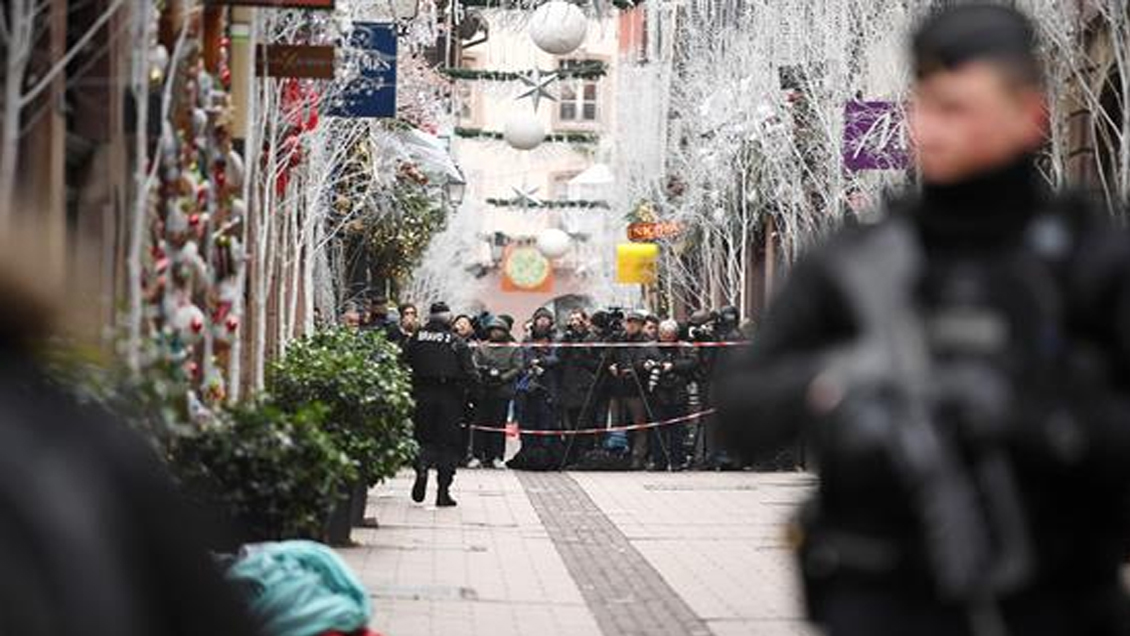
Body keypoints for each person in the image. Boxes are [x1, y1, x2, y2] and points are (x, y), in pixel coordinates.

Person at [718, 5, 1130, 635]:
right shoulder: (856, 262)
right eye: (925, 105)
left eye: (958, 108)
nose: (930, 129)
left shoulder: (1091, 260)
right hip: (881, 602)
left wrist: (1049, 414)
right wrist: (840, 384)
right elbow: (741, 410)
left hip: (1054, 604)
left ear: (1030, 114)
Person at [404, 302, 479, 507]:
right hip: (449, 398)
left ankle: (421, 466)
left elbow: (403, 364)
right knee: (447, 445)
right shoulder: (456, 342)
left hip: (421, 395)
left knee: (422, 438)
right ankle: (442, 492)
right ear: (448, 319)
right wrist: (472, 399)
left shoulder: (416, 338)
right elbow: (471, 374)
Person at [509, 307, 561, 469]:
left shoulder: (556, 339)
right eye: (540, 319)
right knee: (527, 422)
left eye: (546, 319)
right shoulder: (527, 340)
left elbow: (557, 358)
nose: (543, 322)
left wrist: (541, 361)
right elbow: (521, 360)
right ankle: (527, 454)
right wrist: (531, 363)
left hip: (548, 387)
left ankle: (545, 456)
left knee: (546, 422)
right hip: (528, 388)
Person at [609, 310, 659, 469]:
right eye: (628, 322)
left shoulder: (647, 342)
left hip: (638, 390)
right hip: (619, 388)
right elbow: (609, 357)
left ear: (641, 325)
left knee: (639, 425)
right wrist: (611, 365)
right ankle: (622, 455)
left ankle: (638, 457)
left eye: (635, 322)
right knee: (619, 423)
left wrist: (637, 369)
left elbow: (652, 362)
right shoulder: (619, 340)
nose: (631, 325)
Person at [470, 316, 522, 468]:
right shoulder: (482, 348)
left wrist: (502, 377)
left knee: (498, 425)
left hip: (502, 391)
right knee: (480, 424)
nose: (496, 333)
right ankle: (477, 455)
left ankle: (497, 456)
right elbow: (475, 364)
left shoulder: (513, 348)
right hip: (484, 390)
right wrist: (484, 375)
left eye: (499, 330)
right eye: (493, 330)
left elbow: (517, 367)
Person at [646, 319, 698, 471]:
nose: (667, 339)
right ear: (659, 333)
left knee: (677, 431)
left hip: (678, 393)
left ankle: (676, 462)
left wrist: (673, 366)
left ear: (675, 335)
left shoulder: (684, 348)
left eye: (670, 336)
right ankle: (659, 462)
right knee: (657, 431)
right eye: (664, 335)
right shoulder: (650, 348)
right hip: (657, 393)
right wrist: (647, 365)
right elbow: (639, 362)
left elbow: (693, 363)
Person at [558, 309, 601, 465]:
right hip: (569, 387)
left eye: (578, 319)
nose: (575, 322)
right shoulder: (567, 338)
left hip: (586, 387)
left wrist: (583, 357)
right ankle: (572, 456)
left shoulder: (591, 338)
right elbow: (559, 359)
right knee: (570, 424)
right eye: (572, 319)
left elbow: (598, 363)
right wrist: (567, 341)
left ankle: (585, 456)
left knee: (586, 424)